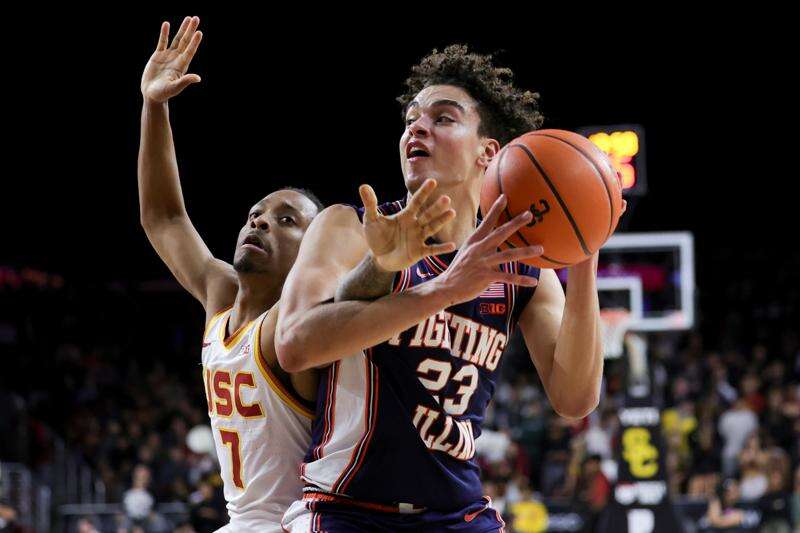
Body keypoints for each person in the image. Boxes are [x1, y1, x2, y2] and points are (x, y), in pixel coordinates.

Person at [277, 45, 614, 531]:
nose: (416, 128)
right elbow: (294, 346)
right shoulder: (349, 227)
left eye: (443, 118)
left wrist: (584, 249)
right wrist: (442, 289)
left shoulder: (522, 268)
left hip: (460, 514)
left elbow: (575, 398)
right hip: (347, 509)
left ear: (488, 152)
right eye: (411, 119)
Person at [138, 16, 321, 531]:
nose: (260, 221)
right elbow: (164, 218)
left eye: (286, 220)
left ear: (313, 253)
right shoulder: (221, 295)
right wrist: (154, 107)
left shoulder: (301, 322)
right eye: (256, 213)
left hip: (296, 522)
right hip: (239, 521)